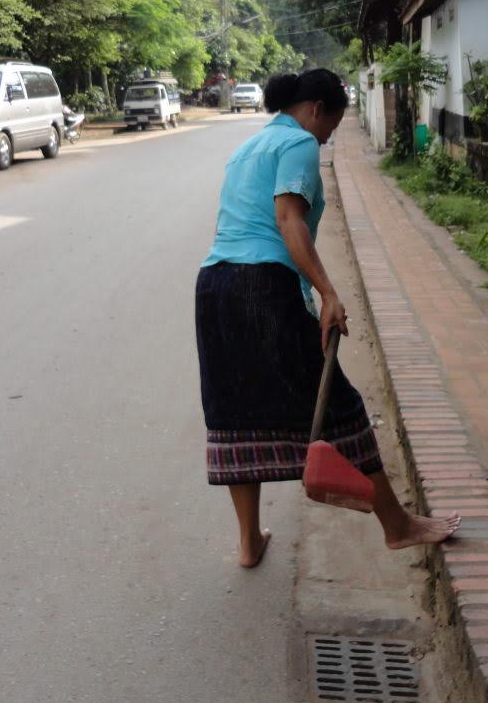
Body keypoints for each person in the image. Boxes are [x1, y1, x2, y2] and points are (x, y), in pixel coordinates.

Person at [195, 68, 462, 568]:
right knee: (339, 403)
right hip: (261, 287)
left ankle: (249, 542)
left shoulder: (249, 147)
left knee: (234, 412)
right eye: (333, 124)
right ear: (316, 109)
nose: (330, 135)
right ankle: (397, 527)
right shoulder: (298, 145)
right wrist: (328, 292)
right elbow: (287, 219)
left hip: (215, 287)